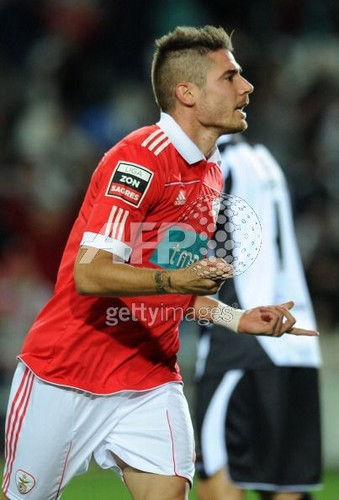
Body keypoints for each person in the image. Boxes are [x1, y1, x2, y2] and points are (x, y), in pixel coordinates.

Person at [1, 26, 318, 500]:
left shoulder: (210, 173)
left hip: (149, 376)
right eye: (230, 77)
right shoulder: (137, 160)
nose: (246, 87)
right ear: (186, 92)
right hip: (66, 374)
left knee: (169, 492)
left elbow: (177, 290)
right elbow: (90, 273)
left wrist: (238, 318)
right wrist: (174, 278)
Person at [194, 134, 322, 500]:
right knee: (285, 488)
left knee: (219, 478)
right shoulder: (266, 159)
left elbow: (192, 253)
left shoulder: (213, 165)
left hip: (242, 345)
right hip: (296, 346)